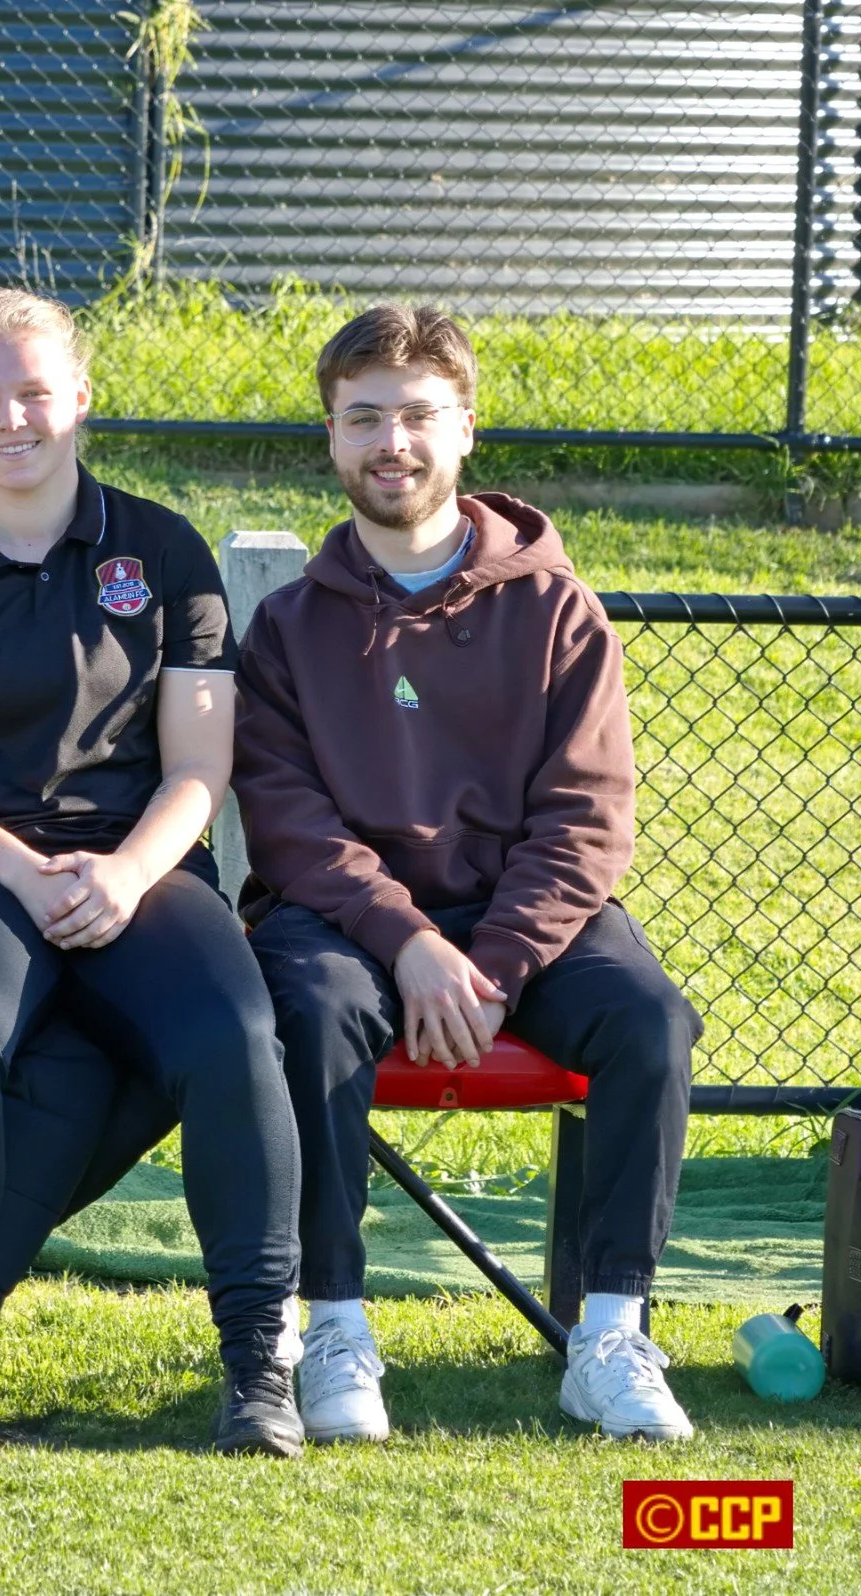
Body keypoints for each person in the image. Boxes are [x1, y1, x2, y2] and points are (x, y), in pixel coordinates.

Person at [233, 303, 701, 1443]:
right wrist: (409, 943)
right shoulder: (289, 627)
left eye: (416, 415)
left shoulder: (556, 610)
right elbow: (289, 825)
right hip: (347, 921)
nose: (389, 443)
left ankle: (609, 1334)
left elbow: (585, 816)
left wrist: (491, 963)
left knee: (648, 1020)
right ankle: (333, 1329)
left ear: (465, 430)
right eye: (362, 419)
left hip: (517, 916)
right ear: (331, 436)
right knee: (308, 1009)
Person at [0, 288, 305, 1456]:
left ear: (79, 399)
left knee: (232, 1034)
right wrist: (24, 869)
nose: (10, 420)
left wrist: (125, 872)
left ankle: (258, 1360)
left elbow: (197, 767)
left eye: (32, 393)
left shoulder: (161, 550)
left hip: (138, 866)